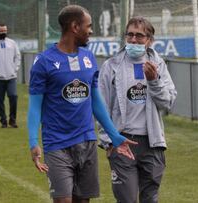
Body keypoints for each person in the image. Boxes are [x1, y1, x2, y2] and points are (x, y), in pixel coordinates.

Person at [27, 5, 137, 203]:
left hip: (87, 142)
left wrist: (114, 135)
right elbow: (35, 106)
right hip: (57, 144)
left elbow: (95, 100)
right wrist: (34, 142)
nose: (91, 31)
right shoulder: (44, 62)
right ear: (75, 27)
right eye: (89, 26)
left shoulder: (88, 58)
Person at [98, 16, 177, 203]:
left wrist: (153, 81)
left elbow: (168, 102)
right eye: (130, 35)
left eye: (139, 36)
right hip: (122, 141)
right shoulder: (111, 66)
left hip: (152, 143)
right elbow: (101, 106)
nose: (133, 40)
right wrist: (108, 141)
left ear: (149, 40)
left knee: (150, 199)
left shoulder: (158, 65)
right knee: (126, 199)